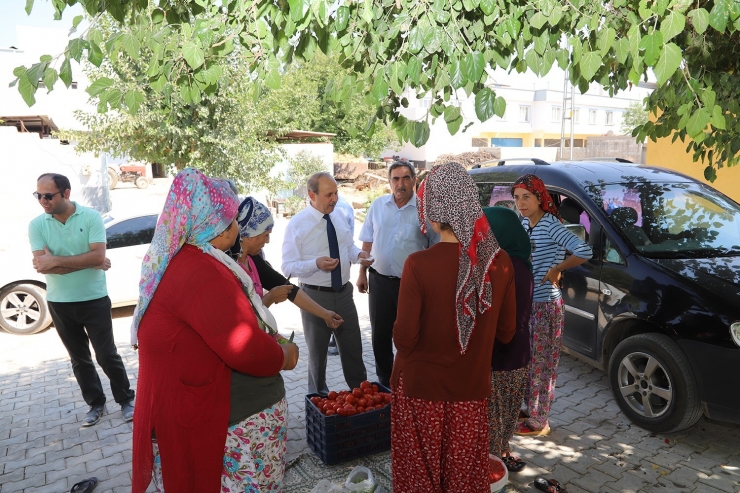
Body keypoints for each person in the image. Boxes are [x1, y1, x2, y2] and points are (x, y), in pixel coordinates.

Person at [130, 168, 299, 493]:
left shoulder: (180, 257)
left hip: (188, 406)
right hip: (213, 416)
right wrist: (284, 355)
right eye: (232, 220)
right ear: (214, 225)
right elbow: (244, 349)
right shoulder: (200, 270)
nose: (237, 227)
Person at [391, 162, 516, 493]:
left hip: (421, 392)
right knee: (462, 481)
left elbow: (405, 339)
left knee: (421, 480)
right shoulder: (499, 262)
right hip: (470, 391)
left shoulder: (418, 264)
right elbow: (506, 332)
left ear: (432, 213)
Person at [29, 173, 135, 427]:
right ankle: (96, 404)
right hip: (59, 302)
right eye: (38, 195)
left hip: (94, 299)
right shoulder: (37, 225)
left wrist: (56, 259)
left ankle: (126, 400)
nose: (42, 200)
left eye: (48, 195)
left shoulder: (91, 217)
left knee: (107, 355)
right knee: (79, 358)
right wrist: (87, 261)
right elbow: (42, 267)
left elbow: (98, 257)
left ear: (66, 193)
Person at [511, 174, 593, 436]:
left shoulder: (551, 225)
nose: (521, 203)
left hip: (546, 306)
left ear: (539, 197)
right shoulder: (523, 224)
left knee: (543, 365)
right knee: (527, 362)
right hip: (526, 305)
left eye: (527, 197)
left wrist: (558, 268)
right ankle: (530, 408)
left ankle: (540, 421)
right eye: (516, 198)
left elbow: (584, 251)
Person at [281, 172, 370, 395]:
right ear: (312, 195)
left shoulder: (339, 216)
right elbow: (288, 267)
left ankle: (364, 400)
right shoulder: (297, 225)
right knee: (318, 357)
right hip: (313, 298)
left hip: (344, 294)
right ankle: (318, 402)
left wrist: (360, 256)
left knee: (354, 352)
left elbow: (348, 248)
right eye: (329, 194)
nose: (335, 199)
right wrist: (315, 264)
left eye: (336, 193)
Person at [356, 161, 438, 387]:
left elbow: (435, 249)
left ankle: (410, 382)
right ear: (389, 181)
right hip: (379, 281)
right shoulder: (378, 205)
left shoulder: (425, 210)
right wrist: (362, 272)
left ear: (414, 180)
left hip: (411, 286)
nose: (400, 184)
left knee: (411, 335)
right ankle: (386, 383)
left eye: (405, 178)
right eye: (395, 179)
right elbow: (367, 242)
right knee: (380, 336)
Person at [230, 196, 344, 329]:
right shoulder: (230, 266)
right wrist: (270, 298)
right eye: (266, 234)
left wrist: (325, 314)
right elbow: (239, 319)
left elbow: (290, 289)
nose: (268, 241)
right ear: (250, 235)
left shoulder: (253, 260)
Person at [482, 206, 534, 472]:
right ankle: (501, 451)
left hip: (502, 350)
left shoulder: (505, 265)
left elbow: (504, 316)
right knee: (506, 411)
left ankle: (492, 464)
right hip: (517, 352)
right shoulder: (519, 261)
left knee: (494, 412)